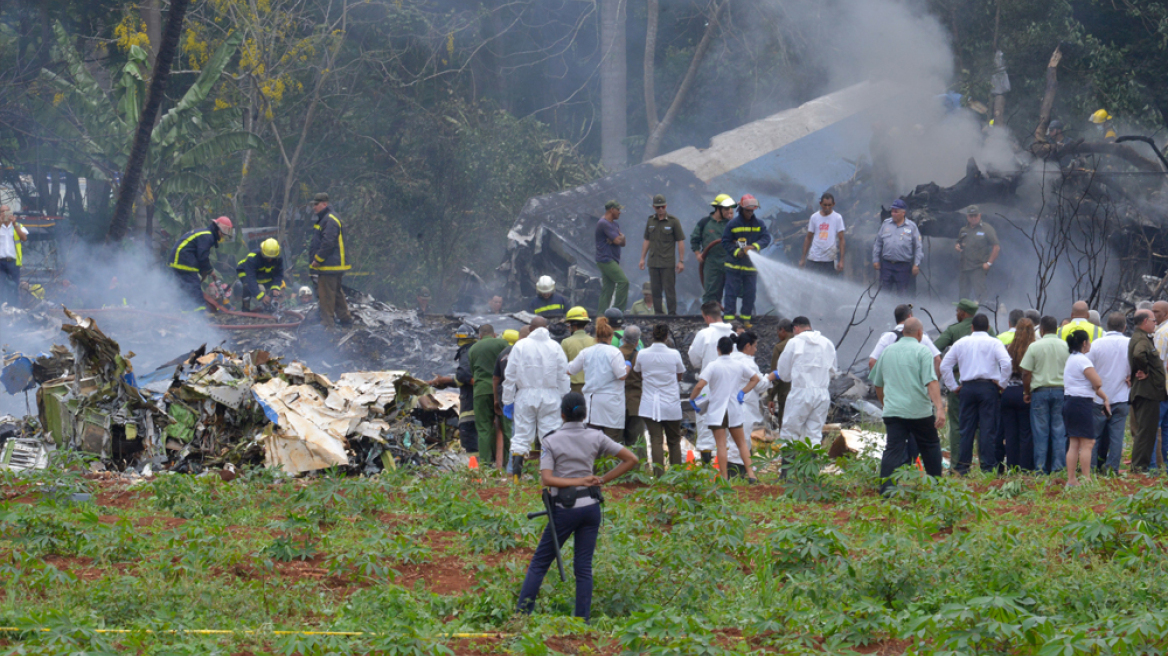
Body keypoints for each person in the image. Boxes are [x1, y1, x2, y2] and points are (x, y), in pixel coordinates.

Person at [516, 393, 638, 622]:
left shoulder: (551, 440)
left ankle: (521, 616)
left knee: (540, 563)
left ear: (561, 414)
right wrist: (601, 480)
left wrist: (577, 481)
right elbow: (631, 459)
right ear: (585, 414)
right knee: (583, 568)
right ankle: (583, 621)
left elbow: (547, 479)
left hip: (564, 509)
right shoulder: (596, 436)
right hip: (591, 508)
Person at [871, 318, 946, 494]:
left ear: (903, 331)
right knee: (930, 446)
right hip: (919, 411)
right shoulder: (922, 351)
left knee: (893, 449)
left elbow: (878, 383)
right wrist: (940, 409)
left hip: (894, 411)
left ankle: (886, 490)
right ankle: (936, 487)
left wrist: (885, 404)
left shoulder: (887, 351)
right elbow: (931, 382)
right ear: (919, 333)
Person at [940, 313, 1011, 474]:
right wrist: (1002, 383)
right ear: (988, 328)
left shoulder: (961, 343)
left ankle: (962, 468)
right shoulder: (994, 342)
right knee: (987, 429)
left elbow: (945, 365)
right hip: (988, 388)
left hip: (967, 388)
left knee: (966, 429)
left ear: (972, 327)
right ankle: (988, 467)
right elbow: (1006, 363)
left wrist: (953, 386)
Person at [503, 316, 571, 477]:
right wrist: (564, 396)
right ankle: (551, 476)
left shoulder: (520, 346)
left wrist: (508, 400)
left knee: (521, 435)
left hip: (525, 395)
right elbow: (563, 375)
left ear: (530, 329)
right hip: (550, 396)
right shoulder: (555, 346)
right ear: (546, 328)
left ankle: (516, 479)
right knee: (551, 435)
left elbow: (510, 375)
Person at [689, 335, 762, 482]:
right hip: (734, 408)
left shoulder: (713, 365)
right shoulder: (738, 365)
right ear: (731, 349)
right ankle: (752, 475)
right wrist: (743, 391)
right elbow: (755, 378)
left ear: (718, 350)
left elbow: (699, 385)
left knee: (721, 445)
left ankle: (724, 477)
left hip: (717, 411)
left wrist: (692, 399)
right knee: (742, 443)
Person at [776, 316, 837, 447]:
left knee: (790, 433)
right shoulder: (827, 343)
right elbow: (833, 371)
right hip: (822, 394)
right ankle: (810, 466)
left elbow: (783, 374)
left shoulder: (793, 343)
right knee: (814, 435)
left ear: (796, 328)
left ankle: (788, 467)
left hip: (800, 392)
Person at [1021, 315, 1070, 474]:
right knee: (1059, 432)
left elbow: (1026, 373)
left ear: (1041, 330)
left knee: (1040, 433)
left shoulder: (1034, 347)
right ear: (1056, 329)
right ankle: (1058, 468)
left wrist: (1027, 392)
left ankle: (1040, 469)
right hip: (1060, 392)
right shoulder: (1066, 346)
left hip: (1039, 393)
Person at [688, 301, 735, 463]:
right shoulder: (733, 334)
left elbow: (694, 358)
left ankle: (707, 466)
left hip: (707, 386)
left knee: (705, 425)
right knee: (728, 427)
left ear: (707, 317)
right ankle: (725, 466)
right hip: (730, 387)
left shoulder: (704, 334)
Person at [567, 317, 628, 442]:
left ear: (596, 338)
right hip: (612, 403)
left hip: (592, 403)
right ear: (611, 338)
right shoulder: (614, 353)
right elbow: (621, 375)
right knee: (611, 442)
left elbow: (570, 370)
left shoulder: (586, 352)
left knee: (593, 442)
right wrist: (628, 366)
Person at [636, 323, 686, 475]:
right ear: (666, 336)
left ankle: (659, 475)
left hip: (650, 403)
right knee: (674, 441)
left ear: (652, 335)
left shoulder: (643, 354)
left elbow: (638, 372)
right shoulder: (674, 354)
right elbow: (680, 375)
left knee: (655, 439)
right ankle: (676, 476)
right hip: (670, 403)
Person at [1063, 330, 1110, 487]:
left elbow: (1093, 386)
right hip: (1081, 404)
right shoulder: (1083, 360)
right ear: (1084, 343)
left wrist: (1105, 398)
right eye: (1089, 341)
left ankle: (1071, 480)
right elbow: (1097, 383)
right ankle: (1086, 479)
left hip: (1070, 402)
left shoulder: (1072, 359)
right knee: (1088, 443)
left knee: (1074, 442)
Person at [1088, 313, 1130, 474]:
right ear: (1124, 327)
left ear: (1107, 326)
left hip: (1098, 398)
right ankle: (1112, 469)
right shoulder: (1130, 343)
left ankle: (1091, 469)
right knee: (1117, 437)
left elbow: (1087, 368)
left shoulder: (1096, 344)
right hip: (1121, 397)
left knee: (1094, 437)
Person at [428, 324, 479, 454]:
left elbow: (464, 375)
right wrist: (447, 381)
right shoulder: (478, 352)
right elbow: (464, 379)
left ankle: (476, 470)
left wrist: (443, 381)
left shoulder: (466, 351)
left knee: (470, 440)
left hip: (471, 405)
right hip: (483, 403)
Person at [720, 194, 771, 325]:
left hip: (750, 267)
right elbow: (725, 242)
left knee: (750, 294)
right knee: (731, 294)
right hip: (734, 266)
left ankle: (745, 320)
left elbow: (766, 239)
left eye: (752, 211)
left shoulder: (759, 224)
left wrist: (754, 246)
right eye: (748, 211)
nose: (750, 213)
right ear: (741, 209)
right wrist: (738, 252)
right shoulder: (732, 224)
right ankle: (729, 322)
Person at [168, 216, 234, 312]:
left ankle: (185, 315)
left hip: (178, 260)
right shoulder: (208, 236)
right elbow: (202, 256)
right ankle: (200, 315)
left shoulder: (205, 234)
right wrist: (210, 270)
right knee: (194, 289)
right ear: (219, 231)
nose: (222, 237)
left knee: (185, 290)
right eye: (223, 234)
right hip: (183, 261)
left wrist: (204, 271)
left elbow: (198, 254)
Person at [728, 331, 771, 477]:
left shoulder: (730, 357)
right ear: (747, 346)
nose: (756, 349)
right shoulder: (747, 362)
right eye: (755, 346)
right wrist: (771, 377)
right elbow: (759, 385)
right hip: (743, 405)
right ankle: (738, 473)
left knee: (730, 439)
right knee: (742, 439)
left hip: (728, 404)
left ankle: (732, 471)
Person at [468, 325, 511, 469]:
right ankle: (509, 463)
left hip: (481, 391)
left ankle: (486, 465)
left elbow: (473, 372)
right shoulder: (502, 344)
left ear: (480, 335)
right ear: (494, 334)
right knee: (508, 428)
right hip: (502, 390)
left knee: (483, 429)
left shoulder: (473, 349)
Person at [308, 193, 353, 329]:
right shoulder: (326, 218)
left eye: (316, 204)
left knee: (326, 294)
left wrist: (318, 259)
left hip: (329, 265)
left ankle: (327, 324)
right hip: (333, 265)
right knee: (336, 292)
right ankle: (345, 319)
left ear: (324, 204)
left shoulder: (329, 219)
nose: (314, 207)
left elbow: (328, 242)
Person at [1128, 309, 1165, 472]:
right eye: (1152, 320)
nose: (1154, 323)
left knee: (1146, 431)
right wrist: (1145, 370)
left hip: (1148, 391)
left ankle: (1139, 466)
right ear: (1145, 322)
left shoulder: (1140, 337)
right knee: (1146, 432)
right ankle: (1139, 467)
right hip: (1146, 391)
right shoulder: (1142, 339)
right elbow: (1138, 355)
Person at [639, 194, 685, 314]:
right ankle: (658, 314)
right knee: (655, 290)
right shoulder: (650, 221)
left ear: (666, 206)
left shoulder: (673, 221)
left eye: (662, 206)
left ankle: (672, 313)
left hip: (667, 262)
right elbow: (647, 240)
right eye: (658, 207)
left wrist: (681, 261)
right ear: (654, 207)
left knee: (669, 289)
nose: (660, 209)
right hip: (653, 261)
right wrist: (642, 258)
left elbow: (680, 241)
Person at [1001, 318, 1037, 471]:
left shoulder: (1008, 348)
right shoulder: (1033, 349)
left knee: (1010, 433)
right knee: (1025, 432)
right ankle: (1025, 466)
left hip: (1008, 393)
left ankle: (1011, 465)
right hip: (1024, 393)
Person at [868, 304, 941, 373]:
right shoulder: (922, 337)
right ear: (909, 317)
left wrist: (880, 385)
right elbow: (937, 360)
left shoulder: (887, 338)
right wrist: (933, 383)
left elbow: (872, 362)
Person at [690, 194, 735, 304]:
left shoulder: (732, 224)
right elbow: (695, 239)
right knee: (711, 293)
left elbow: (742, 240)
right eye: (726, 209)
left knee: (736, 290)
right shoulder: (704, 223)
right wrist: (698, 254)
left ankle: (736, 317)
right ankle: (712, 318)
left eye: (730, 208)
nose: (728, 211)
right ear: (718, 209)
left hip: (729, 261)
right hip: (711, 263)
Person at [871, 199, 922, 295]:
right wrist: (876, 259)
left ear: (903, 213)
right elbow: (878, 243)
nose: (893, 214)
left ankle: (900, 310)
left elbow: (918, 247)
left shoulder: (911, 226)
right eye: (892, 211)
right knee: (883, 294)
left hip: (903, 266)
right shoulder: (886, 224)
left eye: (896, 211)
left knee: (903, 294)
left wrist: (916, 264)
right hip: (887, 266)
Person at [493, 327, 528, 455]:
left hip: (506, 396)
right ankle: (517, 463)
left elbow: (496, 378)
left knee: (510, 430)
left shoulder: (503, 353)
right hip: (523, 395)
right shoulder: (527, 351)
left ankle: (510, 463)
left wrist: (496, 400)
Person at [954, 205, 999, 302]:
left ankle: (984, 315)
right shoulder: (964, 230)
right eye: (971, 216)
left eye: (975, 215)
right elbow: (959, 243)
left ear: (980, 215)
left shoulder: (986, 229)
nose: (973, 218)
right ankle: (963, 315)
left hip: (978, 268)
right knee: (963, 296)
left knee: (980, 295)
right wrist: (957, 246)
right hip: (965, 267)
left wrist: (989, 263)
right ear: (967, 217)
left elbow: (996, 247)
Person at [799, 193, 846, 275]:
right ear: (820, 204)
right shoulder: (814, 217)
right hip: (813, 257)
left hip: (829, 259)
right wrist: (803, 258)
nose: (827, 208)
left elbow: (841, 239)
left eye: (829, 205)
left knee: (829, 284)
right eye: (825, 205)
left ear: (833, 204)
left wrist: (841, 260)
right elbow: (808, 238)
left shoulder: (837, 218)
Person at [234, 238, 285, 311]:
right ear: (262, 252)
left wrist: (275, 288)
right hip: (245, 271)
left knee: (273, 288)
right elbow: (251, 279)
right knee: (247, 286)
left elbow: (279, 274)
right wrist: (261, 297)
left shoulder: (279, 259)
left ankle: (269, 307)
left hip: (262, 274)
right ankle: (246, 308)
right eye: (267, 257)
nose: (270, 260)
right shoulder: (253, 258)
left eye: (272, 257)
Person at [595, 200, 628, 313]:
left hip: (613, 259)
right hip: (606, 259)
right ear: (611, 210)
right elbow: (618, 240)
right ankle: (618, 311)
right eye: (618, 210)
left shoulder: (615, 224)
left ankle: (600, 316)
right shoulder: (603, 223)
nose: (620, 212)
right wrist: (618, 239)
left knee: (607, 289)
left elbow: (622, 242)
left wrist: (620, 238)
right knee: (623, 282)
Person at [618, 325, 646, 457]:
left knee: (617, 442)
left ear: (623, 339)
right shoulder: (640, 357)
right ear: (637, 342)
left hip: (617, 401)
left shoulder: (614, 354)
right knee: (637, 442)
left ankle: (617, 472)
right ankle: (640, 473)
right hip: (636, 402)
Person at [561, 307, 596, 394]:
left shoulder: (566, 342)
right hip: (592, 386)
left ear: (574, 326)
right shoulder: (594, 341)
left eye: (569, 325)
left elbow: (562, 366)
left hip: (573, 387)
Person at [767, 319, 793, 431]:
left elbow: (776, 375)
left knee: (785, 426)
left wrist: (770, 397)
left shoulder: (780, 347)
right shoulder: (805, 344)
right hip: (807, 393)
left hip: (786, 393)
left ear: (782, 330)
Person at [0, 207, 29, 306]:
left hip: (13, 262)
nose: (4, 213)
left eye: (6, 211)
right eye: (2, 211)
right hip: (0, 262)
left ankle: (13, 309)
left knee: (14, 287)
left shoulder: (18, 225)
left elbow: (24, 238)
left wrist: (14, 224)